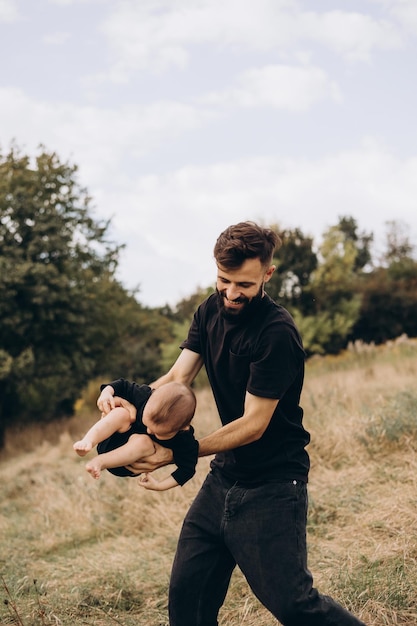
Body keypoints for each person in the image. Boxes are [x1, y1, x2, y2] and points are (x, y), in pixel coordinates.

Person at [101, 221, 366, 626]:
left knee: (295, 606)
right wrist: (130, 403)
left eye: (243, 284)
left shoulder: (276, 332)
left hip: (273, 485)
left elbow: (254, 424)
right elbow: (176, 379)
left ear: (267, 274)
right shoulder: (209, 309)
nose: (230, 292)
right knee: (186, 603)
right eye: (224, 280)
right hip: (224, 479)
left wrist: (181, 450)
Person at [74, 379, 198, 491]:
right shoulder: (144, 395)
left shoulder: (185, 440)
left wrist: (160, 485)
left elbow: (187, 470)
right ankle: (88, 441)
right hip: (110, 440)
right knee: (122, 413)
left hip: (125, 464)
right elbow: (122, 385)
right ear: (151, 396)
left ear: (183, 428)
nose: (149, 431)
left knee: (144, 441)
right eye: (147, 423)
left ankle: (100, 462)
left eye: (158, 433)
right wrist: (106, 393)